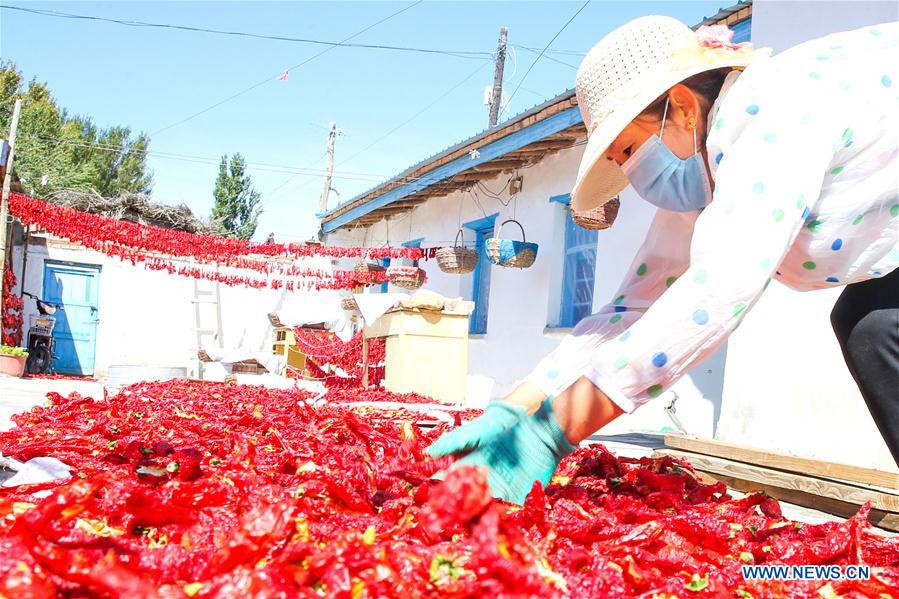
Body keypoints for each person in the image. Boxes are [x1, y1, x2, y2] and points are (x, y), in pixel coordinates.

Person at [428, 16, 899, 505]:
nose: (632, 173)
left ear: (681, 106)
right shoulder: (709, 171)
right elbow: (634, 305)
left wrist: (554, 431)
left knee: (876, 328)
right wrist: (517, 405)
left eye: (628, 148)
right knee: (875, 326)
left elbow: (718, 288)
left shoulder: (775, 115)